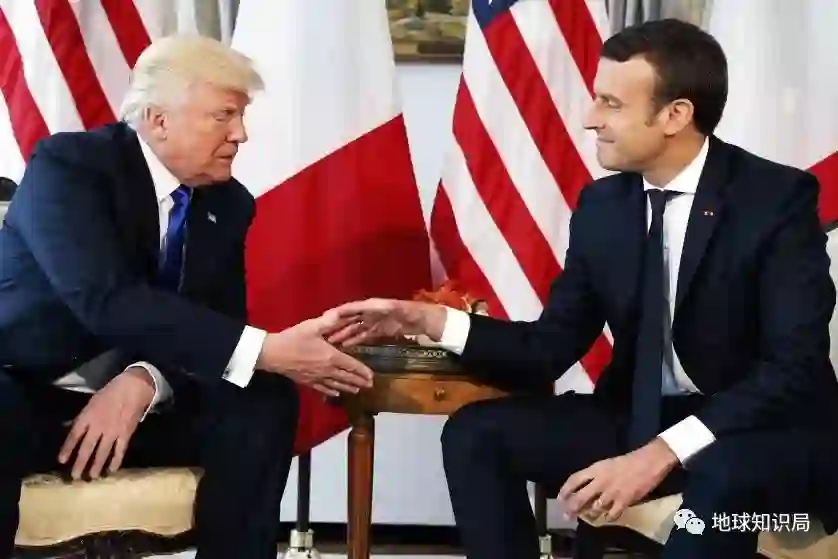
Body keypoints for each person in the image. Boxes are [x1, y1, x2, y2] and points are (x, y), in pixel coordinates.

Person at [327, 18, 838, 559]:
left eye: (611, 103)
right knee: (476, 433)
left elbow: (792, 365)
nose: (590, 119)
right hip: (642, 416)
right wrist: (430, 321)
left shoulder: (775, 199)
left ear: (675, 115)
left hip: (761, 430)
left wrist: (660, 453)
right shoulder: (603, 207)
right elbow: (547, 348)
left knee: (721, 482)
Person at [0, 35, 374, 559]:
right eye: (224, 116)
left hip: (133, 410)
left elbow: (216, 318)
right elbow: (105, 298)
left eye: (241, 116)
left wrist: (142, 381)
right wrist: (267, 349)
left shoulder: (228, 203)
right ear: (159, 120)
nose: (240, 134)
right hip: (25, 388)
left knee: (262, 398)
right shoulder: (72, 168)